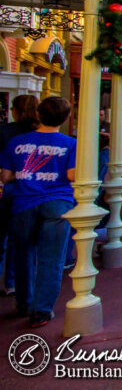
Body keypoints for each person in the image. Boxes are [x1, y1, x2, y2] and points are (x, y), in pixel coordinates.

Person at [0, 96, 75, 327]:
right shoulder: (70, 144)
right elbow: (72, 176)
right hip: (57, 202)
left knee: (24, 255)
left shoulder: (16, 143)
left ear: (39, 115)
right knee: (51, 258)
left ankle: (24, 302)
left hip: (24, 203)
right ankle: (41, 311)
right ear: (65, 118)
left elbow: (6, 176)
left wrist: (26, 175)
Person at [0, 94, 39, 297]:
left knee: (3, 238)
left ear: (14, 110)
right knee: (21, 241)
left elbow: (4, 174)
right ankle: (13, 282)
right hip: (32, 191)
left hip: (8, 188)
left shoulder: (5, 132)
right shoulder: (38, 135)